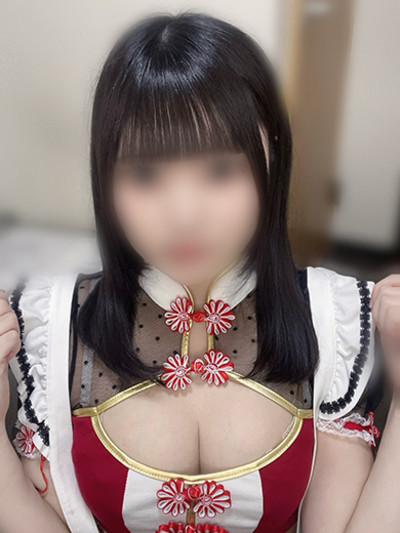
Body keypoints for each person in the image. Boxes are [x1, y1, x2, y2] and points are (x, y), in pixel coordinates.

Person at [0, 11, 399, 533]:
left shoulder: (334, 318)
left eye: (220, 170)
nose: (184, 214)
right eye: (145, 174)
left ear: (271, 161)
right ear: (105, 175)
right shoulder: (50, 327)